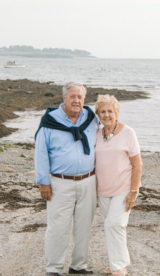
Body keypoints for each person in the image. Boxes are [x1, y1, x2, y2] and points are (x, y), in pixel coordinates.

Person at [35, 82, 97, 276]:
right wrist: (43, 182)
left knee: (84, 226)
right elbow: (41, 153)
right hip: (60, 183)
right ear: (64, 98)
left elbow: (107, 135)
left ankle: (78, 266)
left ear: (84, 100)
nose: (76, 100)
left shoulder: (91, 118)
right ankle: (53, 269)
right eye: (72, 96)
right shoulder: (49, 121)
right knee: (57, 227)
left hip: (88, 181)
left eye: (80, 97)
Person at [95, 95, 143, 276]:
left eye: (109, 111)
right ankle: (118, 263)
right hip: (103, 190)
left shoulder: (128, 132)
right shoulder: (97, 134)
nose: (106, 115)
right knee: (115, 227)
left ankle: (118, 268)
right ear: (98, 114)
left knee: (113, 225)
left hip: (124, 189)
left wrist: (133, 191)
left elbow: (138, 164)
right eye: (102, 111)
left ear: (116, 112)